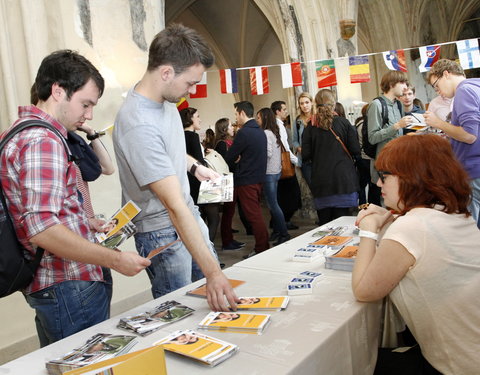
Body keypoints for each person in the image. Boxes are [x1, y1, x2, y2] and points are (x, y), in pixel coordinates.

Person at [0, 50, 150, 347]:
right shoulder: (43, 140)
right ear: (58, 91)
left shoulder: (18, 132)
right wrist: (116, 259)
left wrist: (83, 221)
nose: (89, 114)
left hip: (55, 284)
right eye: (85, 103)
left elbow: (44, 212)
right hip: (68, 283)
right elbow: (41, 227)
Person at [113, 24, 238, 311]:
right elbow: (173, 206)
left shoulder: (166, 101)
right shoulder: (137, 123)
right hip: (163, 230)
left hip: (185, 216)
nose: (192, 90)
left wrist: (195, 168)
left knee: (209, 307)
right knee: (181, 313)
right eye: (190, 83)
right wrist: (215, 273)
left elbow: (169, 152)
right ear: (166, 73)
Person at [352, 134, 480, 375]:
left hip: (458, 366)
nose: (379, 185)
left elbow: (363, 291)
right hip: (471, 352)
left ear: (411, 178)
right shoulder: (453, 213)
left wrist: (369, 231)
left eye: (385, 177)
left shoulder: (412, 227)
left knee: (354, 363)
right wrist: (394, 215)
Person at [424, 59, 480, 227]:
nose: (438, 92)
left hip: (474, 167)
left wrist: (438, 123)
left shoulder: (464, 91)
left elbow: (470, 135)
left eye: (436, 85)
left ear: (446, 74)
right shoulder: (476, 86)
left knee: (474, 225)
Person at [302, 89, 360, 225]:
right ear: (333, 104)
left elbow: (305, 155)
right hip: (343, 180)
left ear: (316, 104)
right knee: (344, 224)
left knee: (325, 226)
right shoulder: (343, 123)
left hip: (322, 182)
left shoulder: (310, 127)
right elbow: (356, 150)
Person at [224, 101, 269, 258]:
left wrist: (237, 158)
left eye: (236, 114)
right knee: (255, 214)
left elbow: (230, 156)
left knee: (253, 216)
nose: (236, 117)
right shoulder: (259, 131)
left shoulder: (244, 132)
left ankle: (262, 248)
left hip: (246, 179)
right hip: (257, 177)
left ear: (242, 113)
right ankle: (263, 246)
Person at [366, 70, 413, 205]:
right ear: (392, 84)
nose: (405, 86)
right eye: (402, 82)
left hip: (399, 161)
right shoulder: (376, 105)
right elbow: (372, 137)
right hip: (384, 163)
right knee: (387, 201)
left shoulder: (398, 105)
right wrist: (396, 126)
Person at [180, 107, 221, 246]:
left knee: (199, 219)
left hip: (188, 184)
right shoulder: (193, 136)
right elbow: (199, 161)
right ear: (190, 119)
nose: (200, 119)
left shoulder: (179, 136)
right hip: (200, 183)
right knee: (214, 218)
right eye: (197, 116)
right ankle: (209, 253)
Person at [256, 108, 290, 245]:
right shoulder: (273, 132)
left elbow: (268, 153)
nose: (257, 120)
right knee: (273, 203)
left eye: (258, 117)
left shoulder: (265, 133)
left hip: (269, 172)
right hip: (276, 171)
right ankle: (277, 230)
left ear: (264, 118)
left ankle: (284, 233)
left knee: (273, 204)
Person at [214, 117, 248, 250]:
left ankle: (229, 239)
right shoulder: (222, 144)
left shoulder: (227, 142)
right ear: (224, 129)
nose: (232, 128)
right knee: (228, 213)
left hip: (231, 180)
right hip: (227, 181)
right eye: (229, 126)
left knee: (230, 212)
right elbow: (225, 164)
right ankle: (227, 241)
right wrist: (237, 160)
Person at [271, 100, 301, 230]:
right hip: (284, 165)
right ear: (277, 111)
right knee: (291, 196)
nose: (286, 112)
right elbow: (285, 148)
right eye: (284, 109)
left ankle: (279, 220)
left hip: (277, 165)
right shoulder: (279, 125)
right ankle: (284, 221)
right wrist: (297, 161)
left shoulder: (275, 125)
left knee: (282, 196)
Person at [354, 104, 376, 206]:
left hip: (361, 157)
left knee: (362, 184)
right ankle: (370, 205)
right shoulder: (367, 124)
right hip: (368, 157)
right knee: (372, 184)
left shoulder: (358, 123)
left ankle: (362, 205)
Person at [292, 92, 315, 188]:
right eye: (301, 103)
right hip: (305, 160)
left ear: (312, 102)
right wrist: (299, 149)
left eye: (306, 102)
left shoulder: (317, 118)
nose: (305, 106)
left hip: (318, 158)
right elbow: (294, 140)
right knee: (311, 186)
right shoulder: (298, 120)